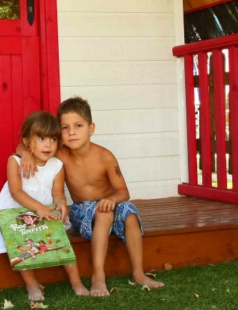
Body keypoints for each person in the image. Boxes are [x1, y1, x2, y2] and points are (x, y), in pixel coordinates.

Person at [17, 97, 165, 297]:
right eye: (65, 128)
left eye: (78, 126)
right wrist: (25, 154)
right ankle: (98, 276)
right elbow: (24, 147)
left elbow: (124, 192)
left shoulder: (105, 157)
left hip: (110, 203)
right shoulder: (60, 153)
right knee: (104, 214)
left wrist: (112, 200)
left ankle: (138, 273)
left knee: (129, 215)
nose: (72, 133)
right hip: (83, 210)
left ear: (91, 128)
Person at [0, 110, 90, 301]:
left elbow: (58, 193)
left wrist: (61, 204)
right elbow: (16, 192)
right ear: (28, 142)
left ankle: (76, 282)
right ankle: (32, 284)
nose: (48, 144)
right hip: (15, 210)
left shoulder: (56, 165)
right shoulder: (15, 161)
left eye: (53, 139)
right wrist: (39, 208)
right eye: (42, 138)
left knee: (62, 240)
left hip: (44, 210)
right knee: (20, 244)